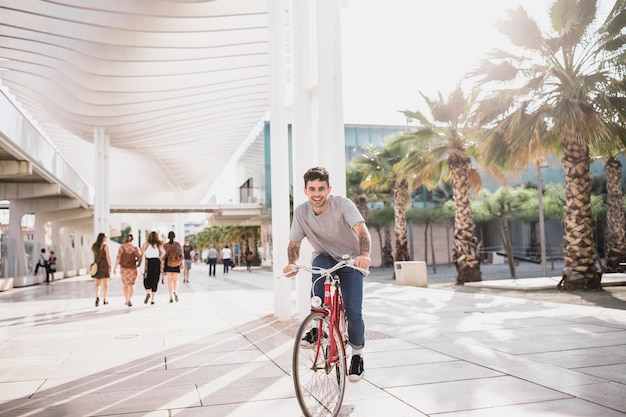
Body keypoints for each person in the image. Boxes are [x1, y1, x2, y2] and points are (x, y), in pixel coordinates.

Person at [283, 167, 371, 383]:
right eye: (312, 189)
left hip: (350, 258)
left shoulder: (343, 204)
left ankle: (357, 356)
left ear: (329, 189)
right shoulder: (302, 212)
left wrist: (364, 255)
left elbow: (361, 230)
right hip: (324, 256)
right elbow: (294, 242)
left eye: (321, 188)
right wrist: (291, 264)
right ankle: (317, 327)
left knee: (353, 312)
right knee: (318, 273)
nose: (317, 193)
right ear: (305, 191)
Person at [113, 234, 142, 307]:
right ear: (132, 240)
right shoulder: (135, 248)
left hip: (124, 269)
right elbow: (140, 258)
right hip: (133, 268)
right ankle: (129, 299)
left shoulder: (121, 248)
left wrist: (115, 267)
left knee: (125, 284)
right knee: (131, 284)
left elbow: (118, 257)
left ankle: (126, 300)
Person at [141, 231, 165, 305]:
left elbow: (141, 252)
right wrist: (160, 258)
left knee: (146, 278)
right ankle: (152, 299)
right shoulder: (159, 244)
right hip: (156, 262)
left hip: (148, 263)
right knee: (155, 280)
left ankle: (148, 292)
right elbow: (164, 252)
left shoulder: (146, 244)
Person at [91, 233, 112, 307]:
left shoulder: (94, 246)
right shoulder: (106, 246)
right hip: (105, 266)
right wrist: (110, 266)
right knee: (105, 284)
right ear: (103, 238)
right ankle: (105, 299)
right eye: (105, 237)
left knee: (97, 284)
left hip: (97, 266)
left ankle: (97, 297)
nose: (106, 238)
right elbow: (108, 257)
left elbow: (94, 257)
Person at [163, 231, 184, 303]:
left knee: (169, 280)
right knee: (175, 280)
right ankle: (175, 291)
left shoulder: (165, 245)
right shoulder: (178, 244)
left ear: (168, 237)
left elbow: (163, 256)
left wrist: (162, 265)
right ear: (174, 236)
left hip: (168, 264)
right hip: (176, 263)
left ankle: (170, 296)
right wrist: (182, 263)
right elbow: (181, 255)